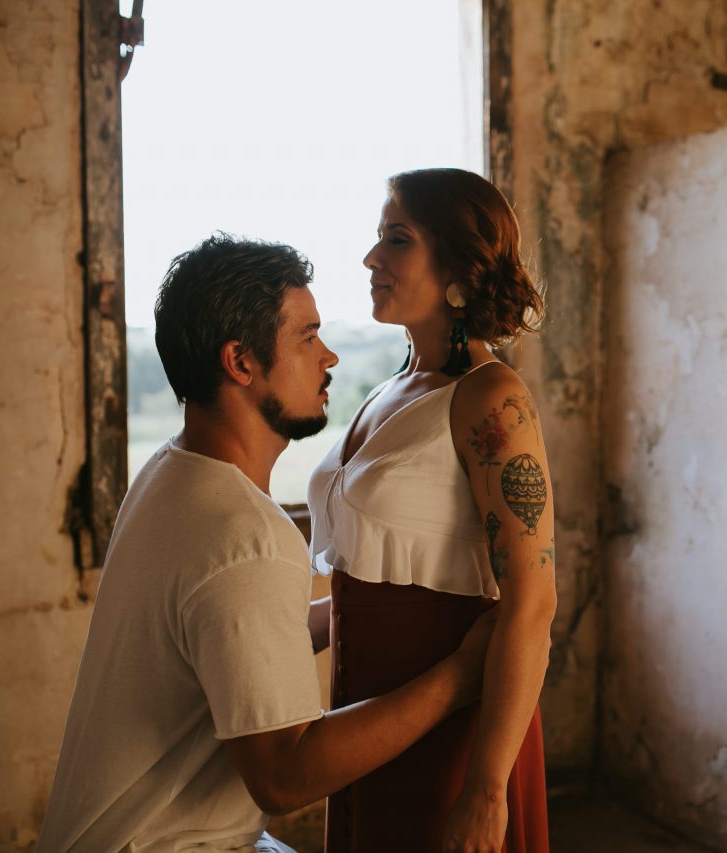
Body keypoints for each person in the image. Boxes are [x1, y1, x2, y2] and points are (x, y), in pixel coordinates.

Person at [38, 234, 495, 853]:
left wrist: (352, 610)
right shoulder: (247, 535)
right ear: (240, 362)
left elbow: (234, 635)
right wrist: (460, 676)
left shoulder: (169, 474)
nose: (329, 356)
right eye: (307, 338)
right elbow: (286, 775)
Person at [306, 168, 556, 853]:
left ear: (457, 266)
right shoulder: (390, 387)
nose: (371, 258)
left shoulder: (491, 397)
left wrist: (486, 789)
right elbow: (380, 579)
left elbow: (532, 603)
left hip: (453, 725)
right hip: (365, 711)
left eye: (397, 239)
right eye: (378, 237)